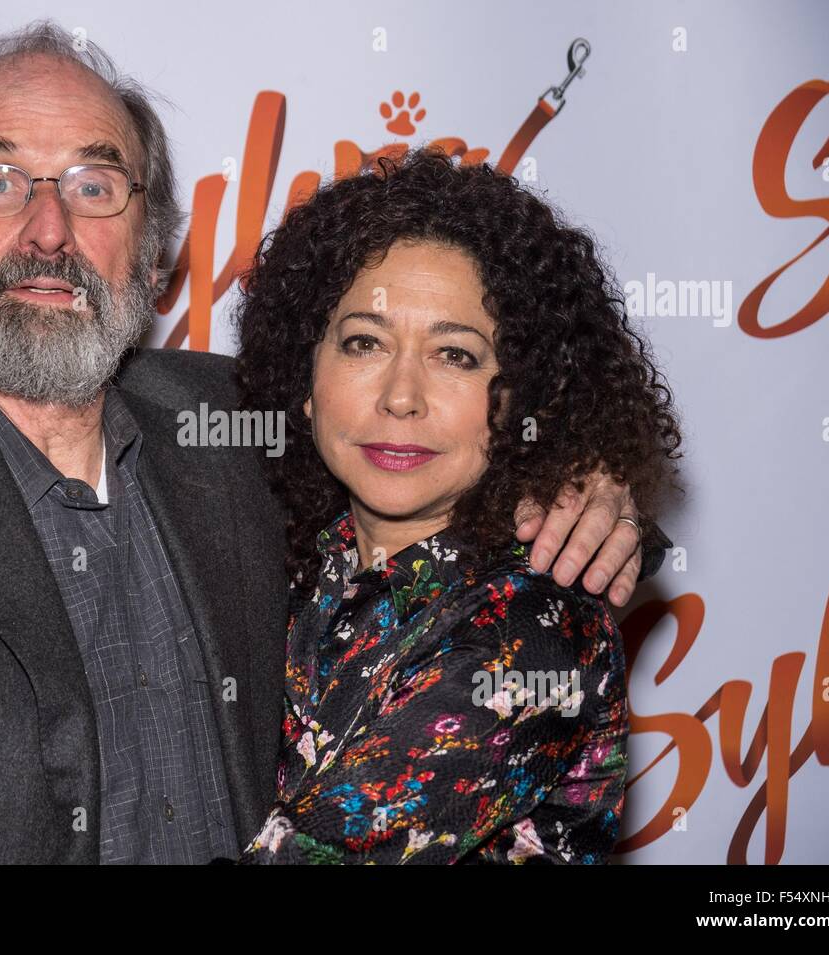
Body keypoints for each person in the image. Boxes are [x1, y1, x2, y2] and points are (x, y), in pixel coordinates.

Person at [0, 22, 663, 864]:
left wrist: (580, 483)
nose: (48, 228)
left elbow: (444, 467)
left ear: (155, 249)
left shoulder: (238, 426)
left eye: (93, 183)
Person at [234, 147, 681, 863]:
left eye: (456, 355)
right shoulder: (298, 548)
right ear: (305, 381)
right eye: (363, 343)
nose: (401, 396)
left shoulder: (536, 630)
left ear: (520, 398)